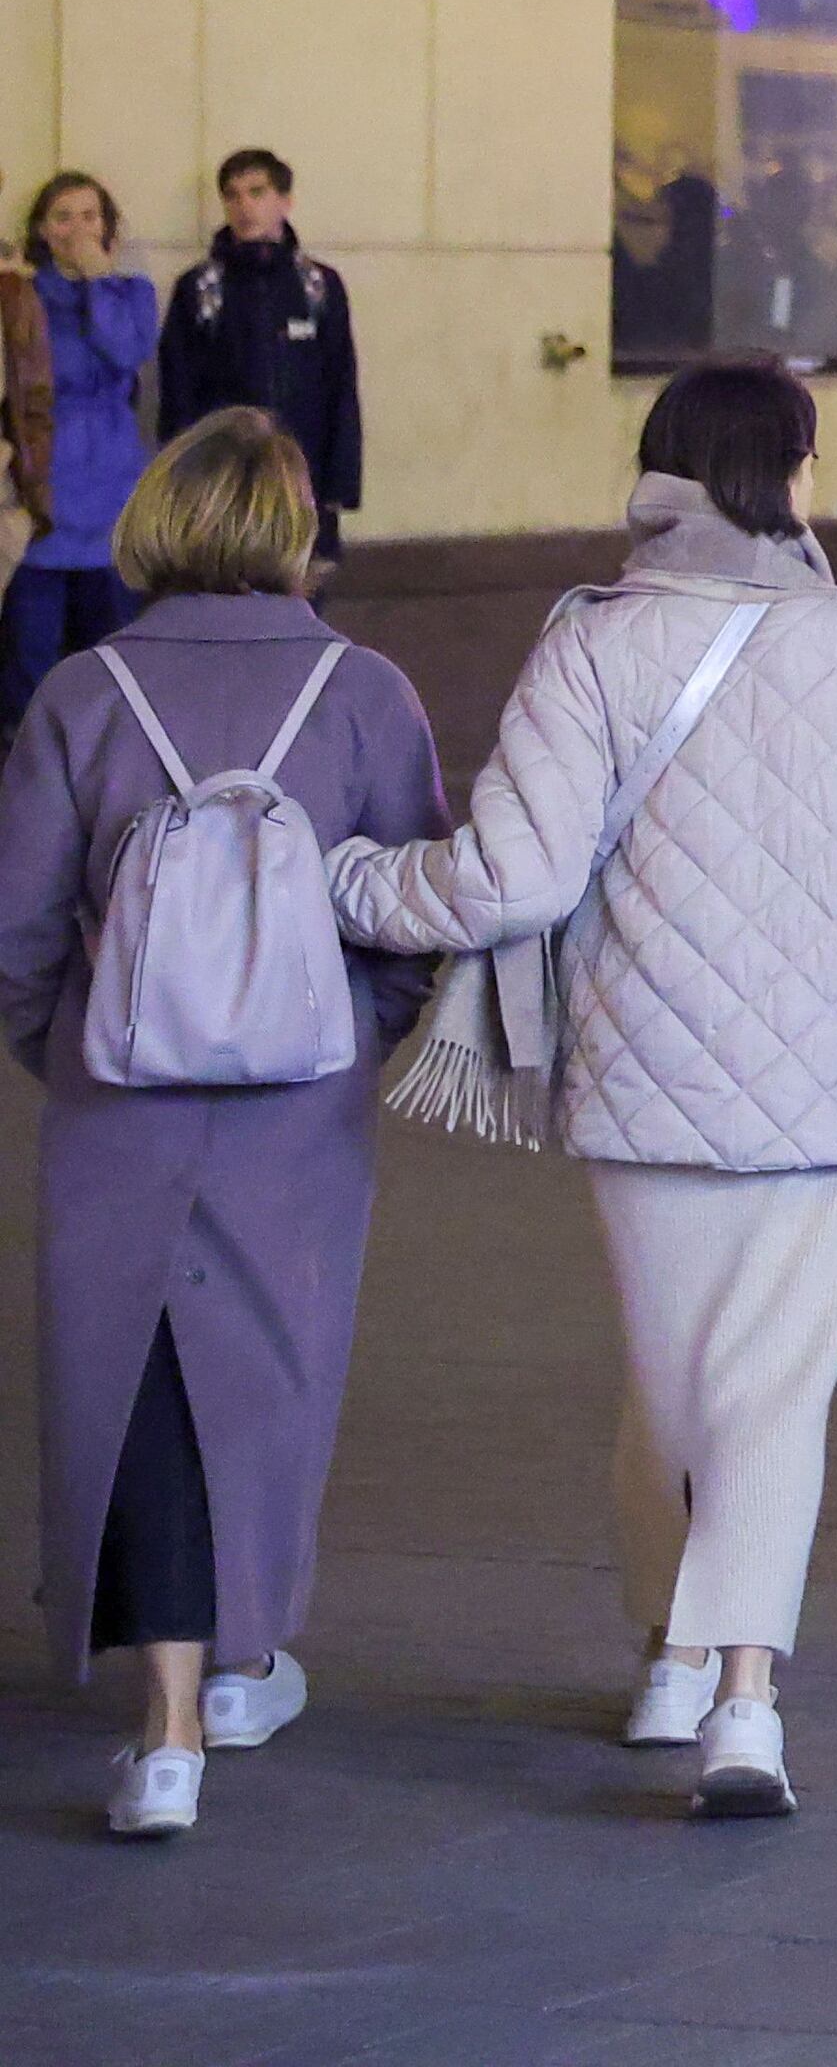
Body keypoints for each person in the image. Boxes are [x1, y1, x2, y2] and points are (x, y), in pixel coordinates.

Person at [329, 360, 837, 1823]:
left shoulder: (593, 645)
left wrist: (355, 883)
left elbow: (517, 875)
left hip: (641, 1079)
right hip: (825, 1090)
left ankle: (672, 1656)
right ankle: (740, 1702)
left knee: (676, 1381)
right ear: (789, 474)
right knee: (766, 1392)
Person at [0, 412, 441, 1839]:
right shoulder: (367, 691)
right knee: (268, 1372)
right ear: (293, 528)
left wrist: (66, 1052)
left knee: (126, 1379)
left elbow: (13, 929)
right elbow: (413, 913)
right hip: (296, 1107)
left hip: (117, 1097)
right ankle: (239, 1666)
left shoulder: (81, 691)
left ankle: (165, 1729)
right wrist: (353, 1039)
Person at [157, 152, 356, 563]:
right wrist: (181, 481)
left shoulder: (318, 286)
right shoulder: (200, 288)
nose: (244, 206)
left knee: (300, 605)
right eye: (232, 196)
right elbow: (178, 391)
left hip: (303, 478)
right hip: (223, 485)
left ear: (285, 201)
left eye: (257, 192)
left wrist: (340, 486)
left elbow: (340, 384)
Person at [8, 173, 131, 729]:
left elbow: (124, 351)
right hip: (40, 482)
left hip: (110, 480)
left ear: (107, 226)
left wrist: (99, 284)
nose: (78, 229)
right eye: (63, 217)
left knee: (107, 653)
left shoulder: (131, 292)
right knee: (30, 654)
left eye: (90, 216)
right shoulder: (20, 295)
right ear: (41, 229)